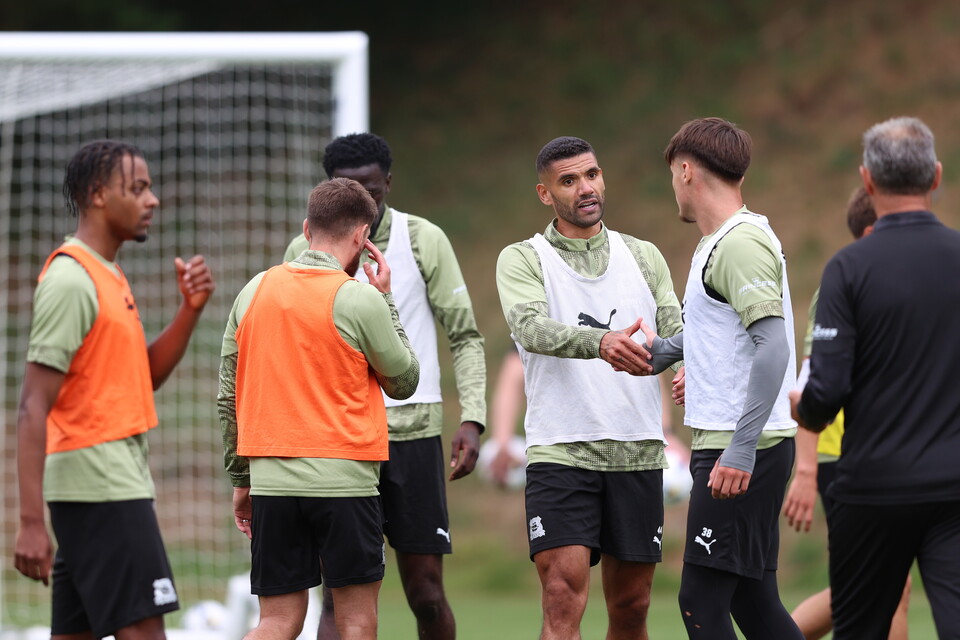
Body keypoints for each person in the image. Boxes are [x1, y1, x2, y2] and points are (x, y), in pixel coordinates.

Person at [283, 133, 485, 640]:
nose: (364, 204)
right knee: (338, 593)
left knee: (426, 592)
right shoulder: (302, 251)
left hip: (412, 436)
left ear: (388, 183)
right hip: (338, 440)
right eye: (349, 190)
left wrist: (472, 418)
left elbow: (464, 334)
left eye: (373, 190)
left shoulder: (423, 239)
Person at [14, 140, 215, 640]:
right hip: (101, 487)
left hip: (103, 485)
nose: (153, 200)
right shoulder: (70, 279)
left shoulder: (108, 274)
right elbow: (32, 404)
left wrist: (189, 311)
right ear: (99, 194)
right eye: (139, 188)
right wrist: (30, 523)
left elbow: (139, 380)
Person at [495, 136, 684, 640]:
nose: (586, 188)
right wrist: (600, 342)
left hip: (637, 453)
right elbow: (530, 329)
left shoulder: (643, 255)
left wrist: (685, 364)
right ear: (544, 193)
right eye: (569, 180)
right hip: (562, 452)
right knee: (561, 598)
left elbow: (677, 330)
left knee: (632, 607)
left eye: (592, 175)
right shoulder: (523, 258)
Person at [218, 177, 419, 640]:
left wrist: (241, 479)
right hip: (345, 482)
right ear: (361, 237)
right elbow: (405, 381)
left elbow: (227, 397)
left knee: (276, 622)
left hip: (271, 483)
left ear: (307, 229)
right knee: (355, 621)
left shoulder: (253, 291)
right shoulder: (359, 297)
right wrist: (386, 299)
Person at [792, 116, 960, 640]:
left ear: (867, 180)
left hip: (873, 489)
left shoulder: (848, 270)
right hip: (956, 486)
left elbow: (829, 386)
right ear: (935, 176)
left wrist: (807, 409)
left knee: (860, 626)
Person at [642, 117, 803, 638]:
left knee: (700, 601)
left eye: (672, 175)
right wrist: (653, 354)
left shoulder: (738, 243)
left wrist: (740, 449)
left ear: (686, 170)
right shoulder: (717, 243)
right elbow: (718, 335)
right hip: (738, 445)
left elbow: (773, 345)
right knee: (754, 603)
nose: (674, 187)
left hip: (740, 451)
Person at [784, 187, 911, 640]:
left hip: (871, 455)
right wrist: (805, 469)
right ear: (874, 230)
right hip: (841, 455)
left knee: (878, 586)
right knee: (879, 586)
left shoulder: (889, 284)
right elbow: (809, 383)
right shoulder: (844, 284)